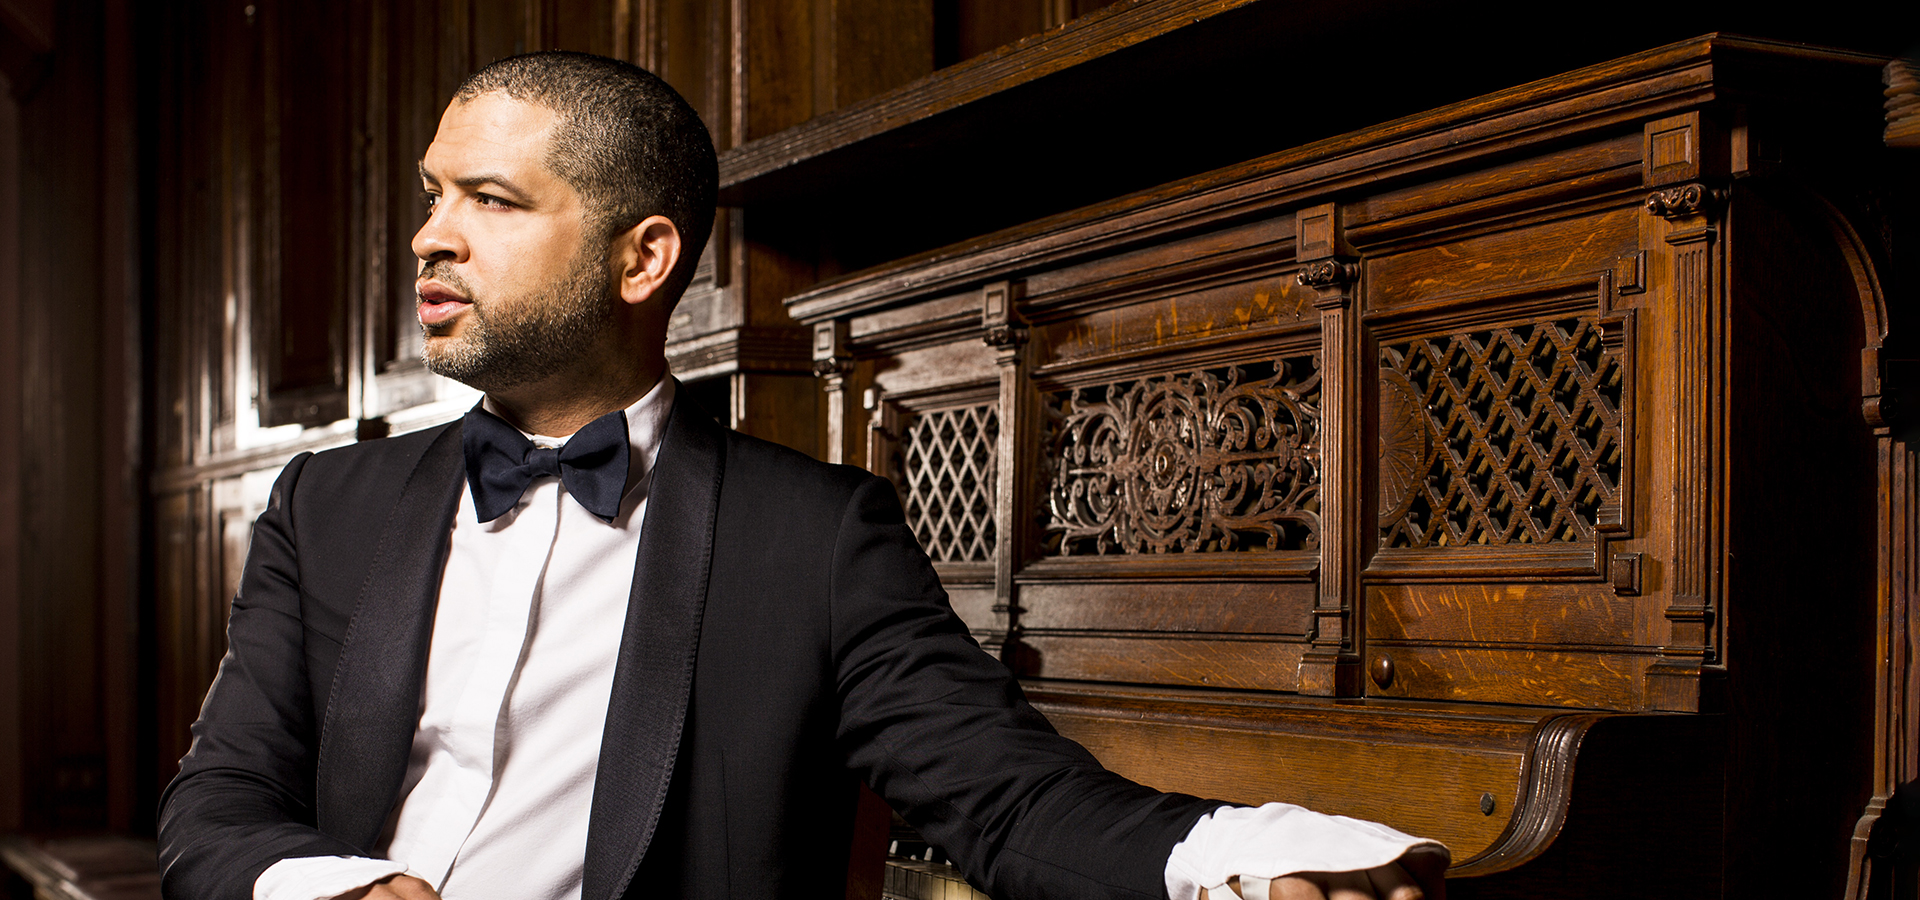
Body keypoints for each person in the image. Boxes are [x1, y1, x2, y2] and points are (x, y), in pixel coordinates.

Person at [156, 52, 1448, 900]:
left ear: (641, 256)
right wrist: (341, 888)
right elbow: (217, 810)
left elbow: (1000, 795)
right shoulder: (328, 505)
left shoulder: (814, 535)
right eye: (434, 196)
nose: (433, 237)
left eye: (490, 200)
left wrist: (1242, 853)